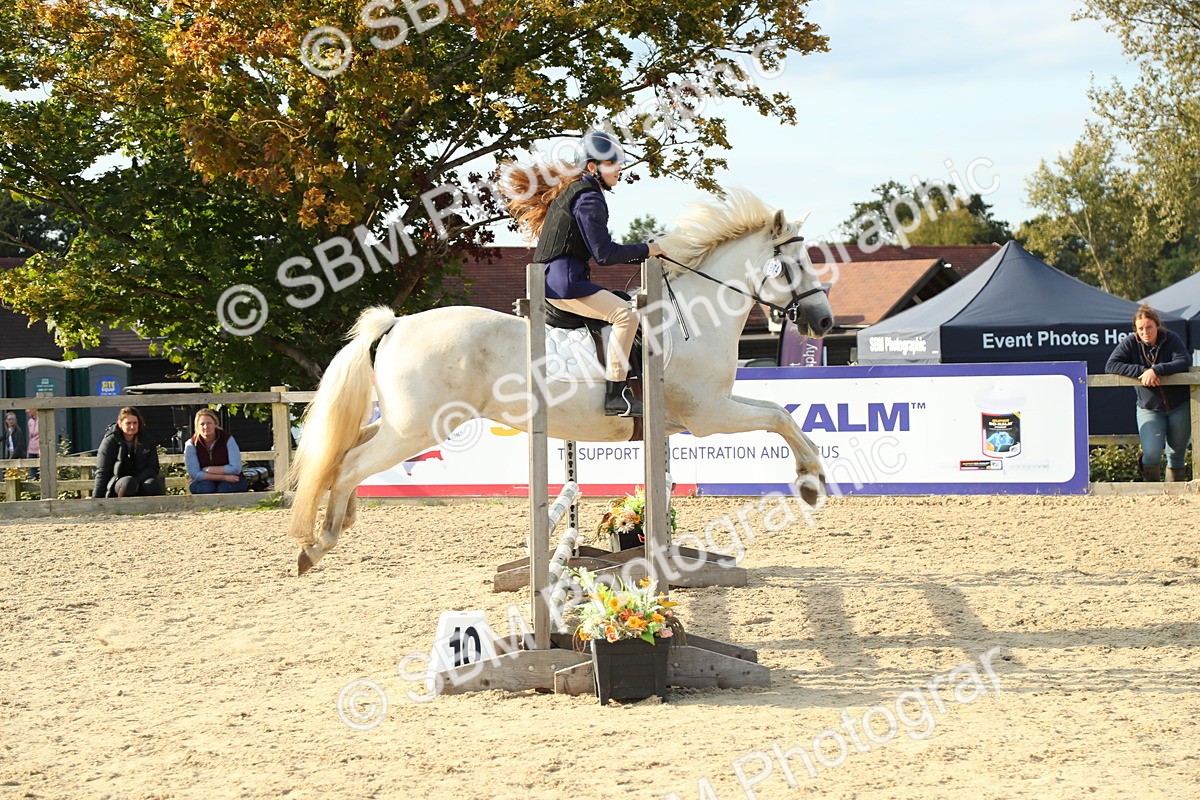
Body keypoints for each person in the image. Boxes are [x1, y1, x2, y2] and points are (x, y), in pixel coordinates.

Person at [501, 130, 666, 418]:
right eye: (613, 163)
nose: (620, 169)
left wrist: (645, 253)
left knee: (616, 301)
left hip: (555, 280)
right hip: (564, 285)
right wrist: (649, 249)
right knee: (626, 315)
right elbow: (604, 254)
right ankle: (616, 394)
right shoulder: (589, 198)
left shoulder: (573, 192)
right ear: (593, 167)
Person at [1105, 304, 1192, 482]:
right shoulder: (1130, 342)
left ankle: (1174, 497)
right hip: (1149, 408)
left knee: (1176, 454)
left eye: (1149, 327)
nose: (1145, 332)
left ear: (1157, 325)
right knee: (1151, 453)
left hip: (1179, 406)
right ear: (1136, 330)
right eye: (1141, 328)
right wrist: (1142, 371)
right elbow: (1111, 365)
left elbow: (1183, 361)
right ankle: (1150, 492)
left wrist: (1157, 370)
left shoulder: (1171, 338)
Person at [92, 407, 163, 498]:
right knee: (129, 483)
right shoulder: (110, 441)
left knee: (153, 484)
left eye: (135, 423)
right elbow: (102, 471)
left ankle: (152, 510)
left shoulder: (147, 440)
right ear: (120, 424)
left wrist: (137, 480)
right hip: (118, 482)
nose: (132, 426)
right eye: (128, 423)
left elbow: (153, 468)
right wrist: (96, 498)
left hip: (140, 480)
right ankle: (121, 508)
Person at [184, 408, 248, 493]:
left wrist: (209, 469)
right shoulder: (191, 444)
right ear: (197, 427)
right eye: (202, 424)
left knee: (224, 490)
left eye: (209, 423)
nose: (206, 427)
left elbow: (236, 468)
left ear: (215, 424)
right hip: (205, 480)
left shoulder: (228, 439)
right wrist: (223, 477)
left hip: (232, 478)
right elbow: (195, 474)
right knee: (206, 489)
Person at [24, 408, 40, 480]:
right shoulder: (30, 421)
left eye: (28, 408)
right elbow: (30, 437)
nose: (26, 411)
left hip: (40, 450)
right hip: (32, 450)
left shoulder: (41, 420)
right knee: (33, 475)